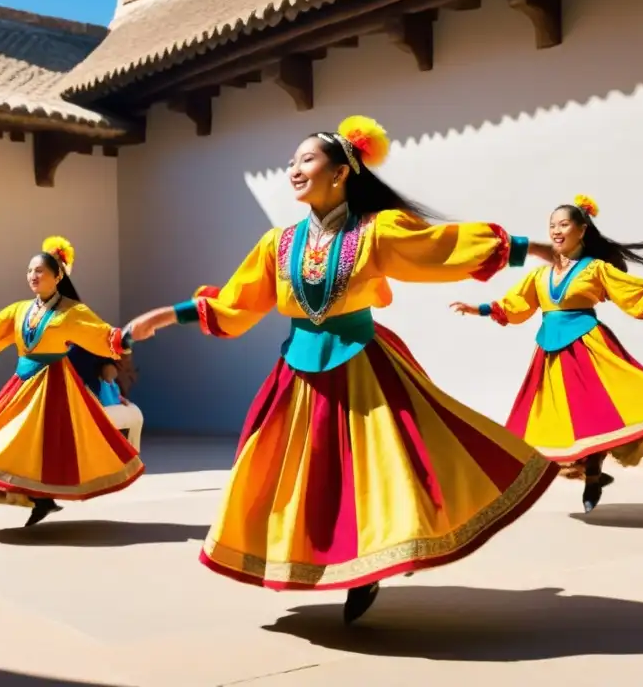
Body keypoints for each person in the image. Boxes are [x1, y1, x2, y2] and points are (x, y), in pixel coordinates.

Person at [125, 115, 559, 625]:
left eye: (305, 159)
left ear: (341, 172)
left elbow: (441, 246)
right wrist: (166, 316)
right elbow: (236, 303)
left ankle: (373, 565)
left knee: (379, 470)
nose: (293, 169)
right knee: (297, 476)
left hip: (362, 366)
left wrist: (532, 249)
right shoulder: (278, 244)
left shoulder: (377, 230)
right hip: (299, 372)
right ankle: (328, 561)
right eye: (291, 162)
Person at [451, 195, 643, 513]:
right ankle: (584, 470)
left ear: (582, 230)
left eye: (563, 224)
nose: (555, 230)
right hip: (551, 353)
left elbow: (630, 288)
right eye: (552, 225)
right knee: (555, 420)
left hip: (589, 347)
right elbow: (516, 303)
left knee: (596, 413)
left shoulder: (596, 269)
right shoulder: (540, 275)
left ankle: (592, 474)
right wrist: (480, 309)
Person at [0, 235, 143, 527]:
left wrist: (125, 337)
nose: (32, 276)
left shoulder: (71, 311)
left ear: (58, 276)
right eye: (29, 270)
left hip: (53, 384)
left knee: (37, 443)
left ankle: (39, 498)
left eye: (39, 270)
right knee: (5, 436)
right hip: (23, 383)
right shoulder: (20, 309)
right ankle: (30, 496)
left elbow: (99, 334)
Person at [95, 361, 144, 453]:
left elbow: (118, 395)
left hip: (117, 407)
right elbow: (107, 399)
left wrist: (122, 400)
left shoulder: (114, 384)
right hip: (110, 409)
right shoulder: (104, 385)